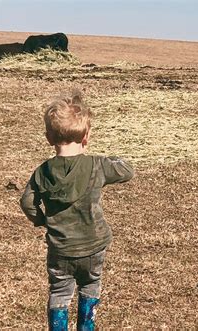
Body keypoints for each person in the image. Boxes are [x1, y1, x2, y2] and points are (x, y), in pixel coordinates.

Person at [20, 90, 134, 330]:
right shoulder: (97, 165)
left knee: (60, 291)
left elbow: (27, 202)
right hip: (93, 245)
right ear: (86, 136)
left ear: (48, 138)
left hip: (60, 248)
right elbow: (127, 170)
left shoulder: (42, 171)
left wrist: (40, 219)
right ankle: (86, 326)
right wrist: (106, 157)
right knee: (90, 285)